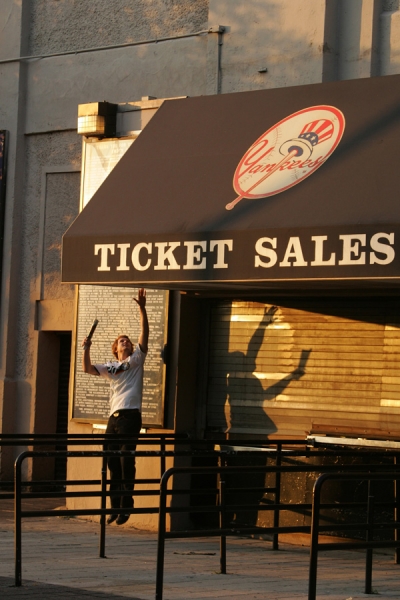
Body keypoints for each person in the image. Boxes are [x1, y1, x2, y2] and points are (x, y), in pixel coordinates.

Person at [82, 288, 149, 525]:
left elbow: (144, 334)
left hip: (131, 416)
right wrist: (86, 348)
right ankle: (114, 507)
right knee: (111, 461)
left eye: (128, 341)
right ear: (116, 349)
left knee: (125, 459)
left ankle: (126, 506)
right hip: (114, 417)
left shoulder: (136, 360)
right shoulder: (111, 367)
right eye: (122, 341)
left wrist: (142, 309)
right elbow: (87, 369)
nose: (126, 342)